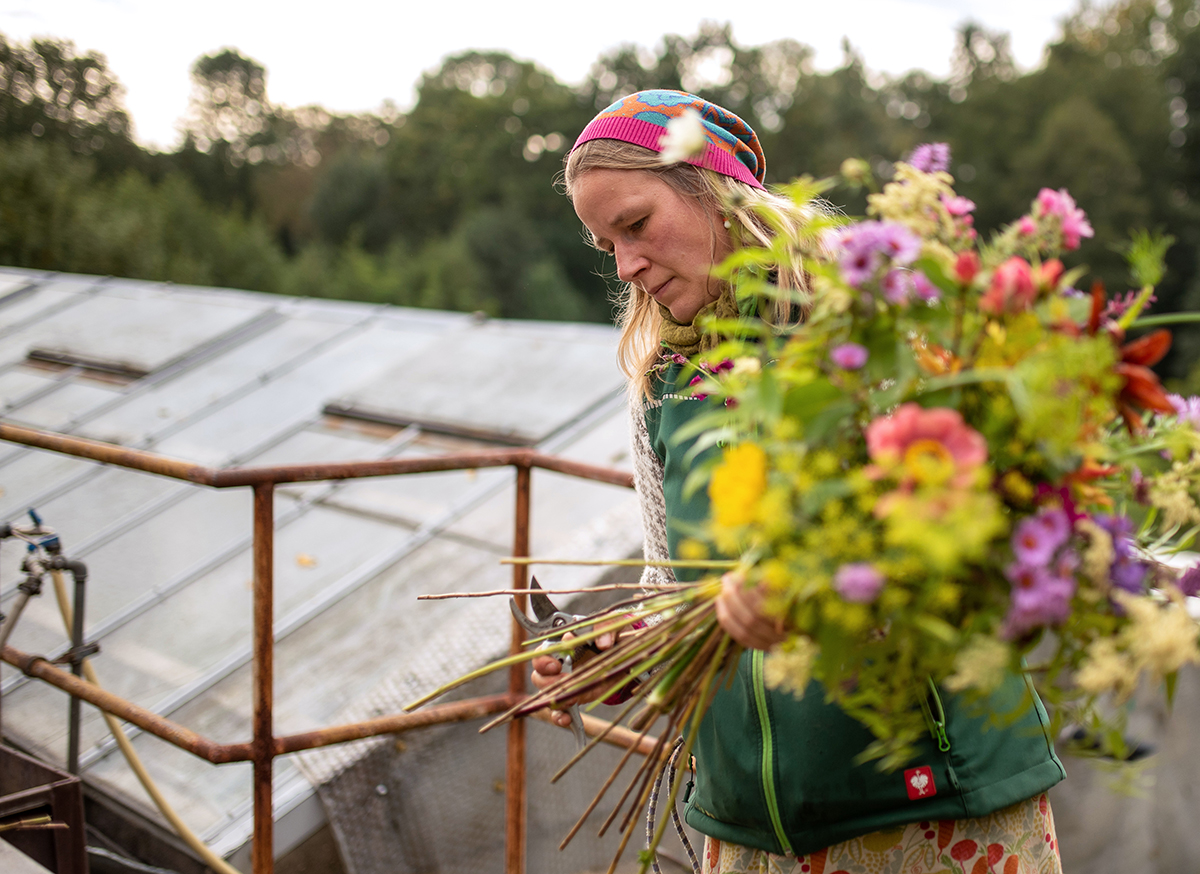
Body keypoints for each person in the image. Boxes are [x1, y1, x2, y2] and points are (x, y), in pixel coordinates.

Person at [532, 90, 1066, 874]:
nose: (626, 265)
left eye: (636, 225)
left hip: (931, 808)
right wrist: (614, 659)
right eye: (605, 242)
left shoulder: (872, 325)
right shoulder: (664, 384)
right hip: (753, 828)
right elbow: (674, 593)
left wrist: (820, 591)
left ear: (715, 191)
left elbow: (986, 538)